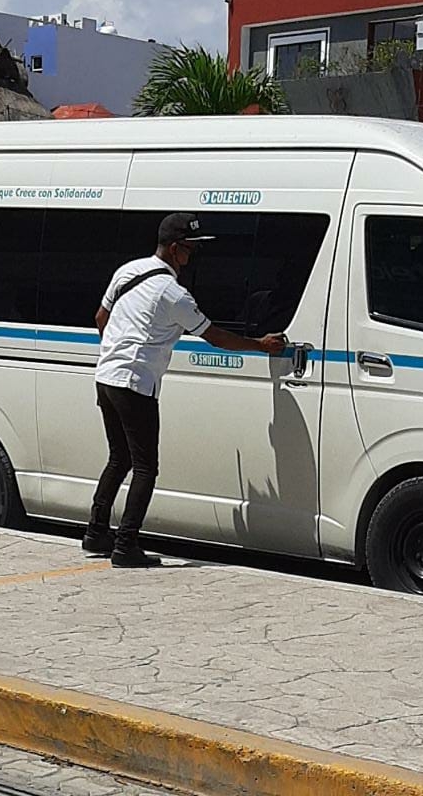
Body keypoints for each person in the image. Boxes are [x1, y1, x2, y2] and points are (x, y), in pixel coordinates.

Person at [82, 213, 287, 567]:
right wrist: (261, 344)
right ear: (175, 249)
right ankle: (125, 545)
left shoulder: (126, 271)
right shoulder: (174, 294)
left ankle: (96, 533)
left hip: (106, 378)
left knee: (119, 459)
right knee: (146, 467)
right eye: (190, 250)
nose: (193, 257)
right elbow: (215, 337)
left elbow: (101, 318)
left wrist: (114, 352)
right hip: (135, 384)